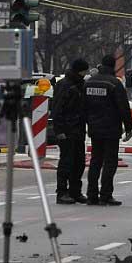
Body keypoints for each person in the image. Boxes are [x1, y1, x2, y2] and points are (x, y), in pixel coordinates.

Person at [84, 55, 132, 206]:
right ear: (112, 67)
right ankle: (105, 194)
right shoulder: (114, 84)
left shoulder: (89, 82)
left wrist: (88, 122)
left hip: (94, 128)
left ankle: (91, 194)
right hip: (111, 128)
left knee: (95, 160)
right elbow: (123, 107)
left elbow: (83, 105)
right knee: (110, 162)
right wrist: (129, 126)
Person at [52, 59, 89, 205]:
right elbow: (57, 110)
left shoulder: (80, 84)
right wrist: (60, 130)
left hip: (78, 129)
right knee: (66, 162)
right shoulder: (65, 85)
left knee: (79, 162)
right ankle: (62, 192)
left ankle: (75, 191)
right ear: (80, 71)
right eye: (84, 71)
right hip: (67, 130)